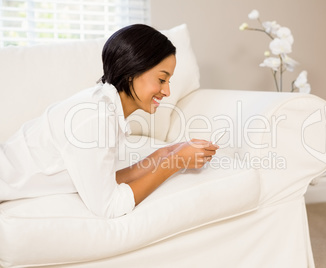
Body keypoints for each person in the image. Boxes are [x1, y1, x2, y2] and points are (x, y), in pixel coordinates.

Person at [0, 24, 219, 218]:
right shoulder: (95, 117)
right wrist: (176, 162)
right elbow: (108, 207)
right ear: (132, 71)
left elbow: (103, 182)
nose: (167, 91)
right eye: (162, 79)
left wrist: (162, 156)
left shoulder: (103, 107)